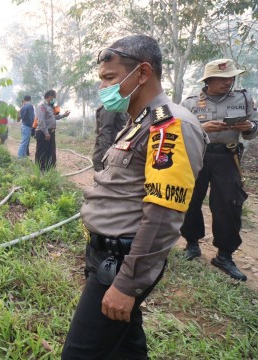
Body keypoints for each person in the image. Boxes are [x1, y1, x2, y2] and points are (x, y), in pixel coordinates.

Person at [61, 35, 206, 359]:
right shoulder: (137, 123)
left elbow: (163, 216)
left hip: (123, 263)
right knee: (127, 347)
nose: (103, 88)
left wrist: (127, 286)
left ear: (142, 73)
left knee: (79, 354)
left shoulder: (170, 126)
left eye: (110, 78)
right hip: (105, 255)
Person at [179, 59, 257, 281]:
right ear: (208, 80)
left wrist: (249, 127)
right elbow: (179, 130)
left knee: (229, 204)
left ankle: (224, 255)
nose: (228, 82)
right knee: (191, 201)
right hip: (198, 155)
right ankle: (192, 244)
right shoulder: (190, 102)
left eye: (231, 77)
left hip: (228, 156)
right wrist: (200, 128)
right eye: (223, 78)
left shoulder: (242, 98)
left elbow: (254, 127)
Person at [35, 90, 70, 171]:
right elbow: (41, 120)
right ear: (50, 96)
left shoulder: (49, 106)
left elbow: (53, 117)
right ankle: (40, 169)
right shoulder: (42, 106)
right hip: (43, 132)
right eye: (54, 97)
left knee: (50, 151)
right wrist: (46, 133)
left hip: (51, 132)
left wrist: (63, 116)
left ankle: (49, 169)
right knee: (42, 152)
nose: (54, 99)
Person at [92, 105, 128, 171]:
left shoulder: (121, 107)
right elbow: (105, 133)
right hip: (104, 157)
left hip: (115, 154)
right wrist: (108, 157)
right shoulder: (109, 108)